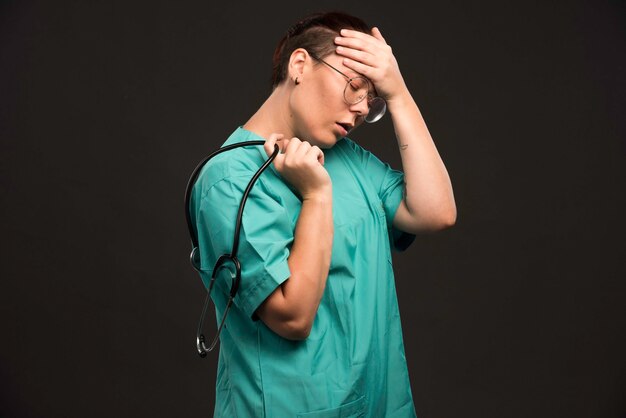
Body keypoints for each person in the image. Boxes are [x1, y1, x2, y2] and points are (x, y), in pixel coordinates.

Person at [188, 10, 456, 417]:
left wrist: (399, 94)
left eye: (373, 98)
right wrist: (316, 196)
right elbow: (292, 316)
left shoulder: (347, 158)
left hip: (379, 404)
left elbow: (436, 211)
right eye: (355, 87)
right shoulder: (227, 181)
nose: (364, 109)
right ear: (299, 66)